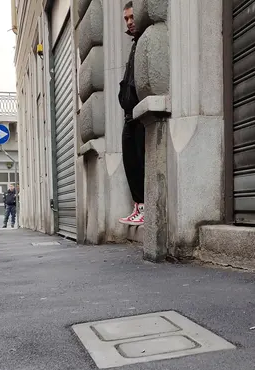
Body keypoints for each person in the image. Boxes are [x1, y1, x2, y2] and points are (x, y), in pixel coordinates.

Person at [117, 1, 145, 226]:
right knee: (130, 163)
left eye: (132, 16)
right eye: (126, 18)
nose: (129, 21)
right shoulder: (135, 43)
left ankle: (144, 207)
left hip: (139, 115)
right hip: (130, 115)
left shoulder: (145, 39)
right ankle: (139, 206)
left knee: (139, 163)